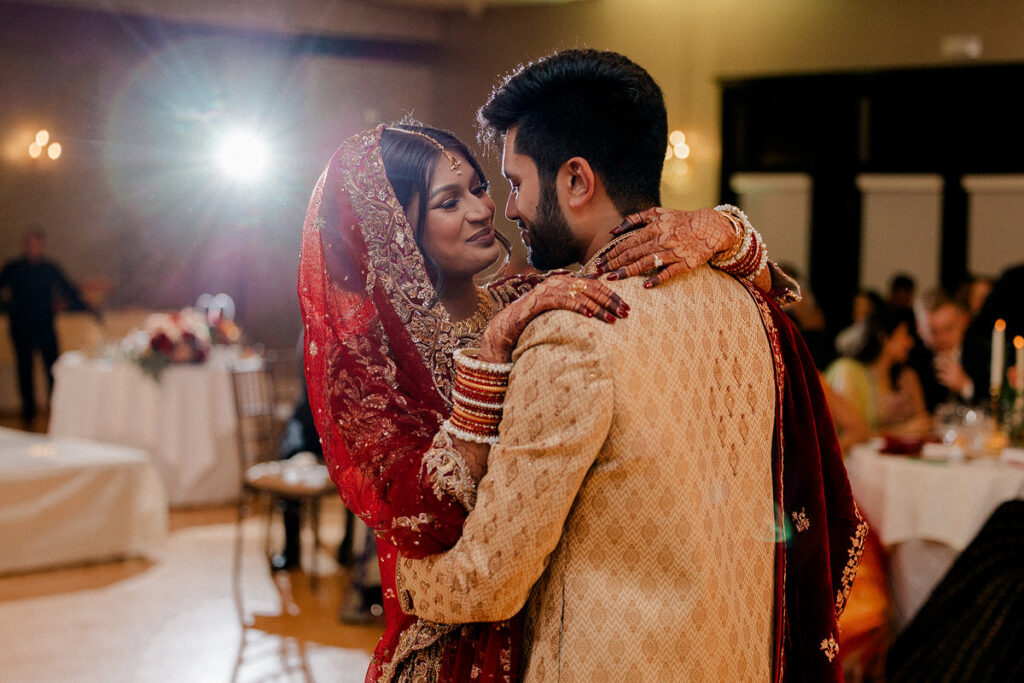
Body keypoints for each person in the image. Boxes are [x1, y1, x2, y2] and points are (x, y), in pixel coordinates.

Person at [393, 49, 864, 682]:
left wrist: (404, 576)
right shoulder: (749, 300)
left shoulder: (573, 330)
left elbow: (490, 580)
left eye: (516, 182)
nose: (507, 209)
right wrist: (730, 228)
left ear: (576, 181)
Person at [298, 121, 764, 681]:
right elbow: (423, 516)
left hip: (555, 619)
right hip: (453, 638)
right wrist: (492, 351)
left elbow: (672, 272)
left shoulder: (525, 296)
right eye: (450, 201)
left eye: (479, 186)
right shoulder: (374, 363)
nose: (482, 209)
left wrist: (724, 228)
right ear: (399, 233)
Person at [0, 226, 95, 427]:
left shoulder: (50, 268)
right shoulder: (14, 268)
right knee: (24, 371)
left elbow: (68, 291)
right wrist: (8, 308)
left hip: (44, 326)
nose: (32, 248)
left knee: (52, 369)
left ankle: (57, 411)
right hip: (21, 327)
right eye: (29, 244)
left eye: (36, 244)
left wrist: (86, 308)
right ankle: (29, 415)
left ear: (41, 246)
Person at [825, 307, 931, 440]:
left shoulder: (906, 375)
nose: (910, 342)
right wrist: (903, 430)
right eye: (904, 335)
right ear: (883, 337)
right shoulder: (849, 372)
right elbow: (856, 433)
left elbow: (922, 422)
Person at [918, 289, 987, 405]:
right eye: (933, 331)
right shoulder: (913, 356)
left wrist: (965, 386)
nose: (941, 338)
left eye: (948, 329)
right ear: (919, 328)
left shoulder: (982, 350)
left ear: (964, 321)